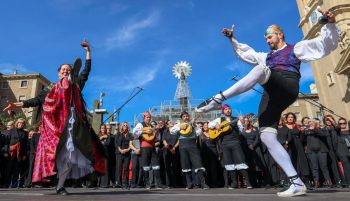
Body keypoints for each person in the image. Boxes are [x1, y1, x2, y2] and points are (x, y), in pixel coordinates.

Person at [195, 8, 338, 197]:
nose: (267, 41)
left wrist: (330, 23)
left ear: (280, 35)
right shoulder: (266, 56)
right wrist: (232, 39)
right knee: (267, 137)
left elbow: (323, 44)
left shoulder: (295, 48)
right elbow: (248, 54)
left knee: (261, 69)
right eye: (266, 39)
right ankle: (296, 182)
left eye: (270, 37)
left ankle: (218, 99)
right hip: (270, 95)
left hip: (287, 85)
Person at [3, 40, 106, 195]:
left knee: (69, 156)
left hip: (74, 126)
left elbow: (86, 71)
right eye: (63, 70)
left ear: (71, 73)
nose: (65, 71)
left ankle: (60, 185)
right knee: (58, 155)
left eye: (68, 70)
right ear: (58, 73)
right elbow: (35, 101)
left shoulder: (76, 84)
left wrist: (88, 52)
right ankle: (57, 180)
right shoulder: (51, 89)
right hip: (57, 128)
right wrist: (16, 105)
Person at [208, 104, 252, 189]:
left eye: (229, 109)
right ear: (223, 111)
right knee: (229, 163)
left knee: (241, 161)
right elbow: (210, 125)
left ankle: (248, 183)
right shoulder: (219, 119)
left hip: (235, 142)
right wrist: (216, 125)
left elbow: (242, 129)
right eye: (226, 109)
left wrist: (243, 122)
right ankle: (234, 183)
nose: (228, 110)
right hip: (224, 143)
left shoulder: (236, 119)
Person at [171, 111, 209, 189]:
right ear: (182, 118)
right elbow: (171, 131)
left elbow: (199, 132)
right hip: (182, 146)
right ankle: (189, 183)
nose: (186, 117)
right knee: (185, 164)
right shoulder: (179, 125)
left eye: (187, 116)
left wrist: (194, 125)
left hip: (192, 145)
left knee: (198, 163)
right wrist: (179, 127)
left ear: (189, 117)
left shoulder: (193, 124)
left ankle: (203, 183)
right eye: (184, 116)